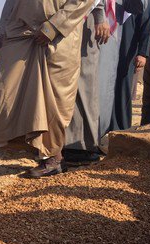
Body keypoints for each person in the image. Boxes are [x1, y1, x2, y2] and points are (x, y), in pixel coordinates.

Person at [0, 0, 95, 180]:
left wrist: (53, 27)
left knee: (53, 102)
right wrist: (2, 28)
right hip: (19, 31)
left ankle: (54, 158)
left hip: (57, 40)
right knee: (2, 93)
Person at [63, 0, 111, 164]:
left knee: (84, 84)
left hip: (85, 18)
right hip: (64, 18)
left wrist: (99, 15)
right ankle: (61, 143)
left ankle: (81, 146)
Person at [98, 0, 148, 137]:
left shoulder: (143, 2)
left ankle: (122, 129)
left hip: (128, 51)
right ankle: (104, 127)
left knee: (123, 88)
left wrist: (143, 53)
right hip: (108, 49)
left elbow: (145, 26)